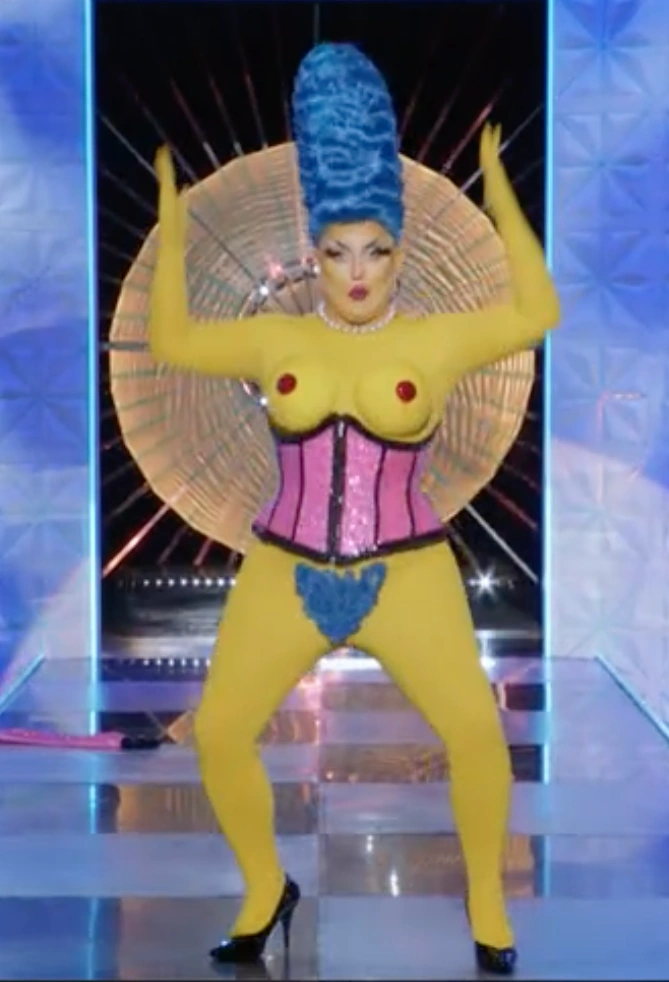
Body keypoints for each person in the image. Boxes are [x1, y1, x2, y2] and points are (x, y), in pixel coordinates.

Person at [149, 43, 559, 976]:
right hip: (284, 570)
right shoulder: (274, 338)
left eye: (375, 249)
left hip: (407, 571)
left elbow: (536, 312)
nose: (357, 270)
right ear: (315, 253)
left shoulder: (438, 340)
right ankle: (265, 889)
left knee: (474, 734)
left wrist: (498, 189)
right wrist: (172, 226)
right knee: (218, 731)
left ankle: (487, 908)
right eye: (337, 251)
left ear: (399, 250)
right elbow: (170, 339)